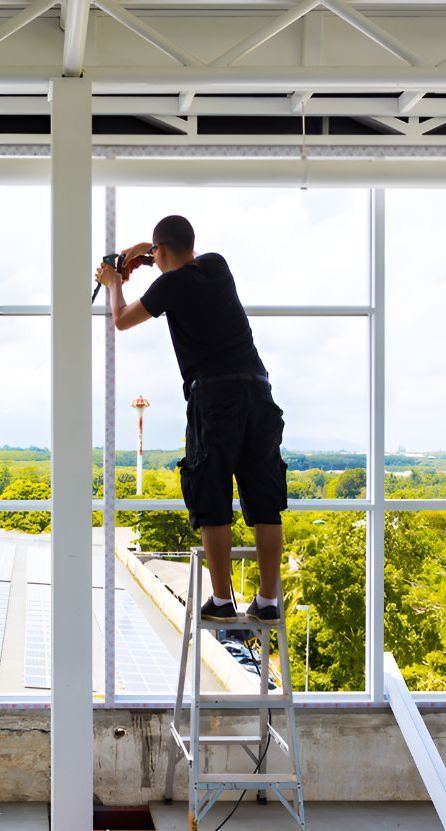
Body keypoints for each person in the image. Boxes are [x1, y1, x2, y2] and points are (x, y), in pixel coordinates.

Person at [94, 215, 288, 623]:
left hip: (215, 395)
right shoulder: (217, 265)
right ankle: (268, 602)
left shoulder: (170, 285)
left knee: (211, 497)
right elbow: (175, 254)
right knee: (266, 501)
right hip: (258, 390)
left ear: (160, 251)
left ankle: (221, 601)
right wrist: (140, 253)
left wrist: (114, 283)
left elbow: (122, 319)